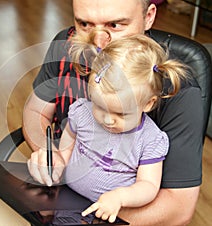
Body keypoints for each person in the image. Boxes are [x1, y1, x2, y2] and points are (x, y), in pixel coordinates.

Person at [24, 0, 204, 225]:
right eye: (85, 24)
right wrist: (50, 155)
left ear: (148, 16)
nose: (98, 44)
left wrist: (90, 209)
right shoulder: (67, 43)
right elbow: (35, 111)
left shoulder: (179, 89)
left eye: (115, 25)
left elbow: (178, 209)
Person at [57, 34, 188, 223]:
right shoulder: (82, 112)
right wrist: (58, 162)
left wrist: (120, 197)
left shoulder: (149, 139)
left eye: (121, 114)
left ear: (148, 104)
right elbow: (67, 145)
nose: (108, 120)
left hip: (112, 215)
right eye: (100, 107)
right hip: (66, 199)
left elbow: (148, 185)